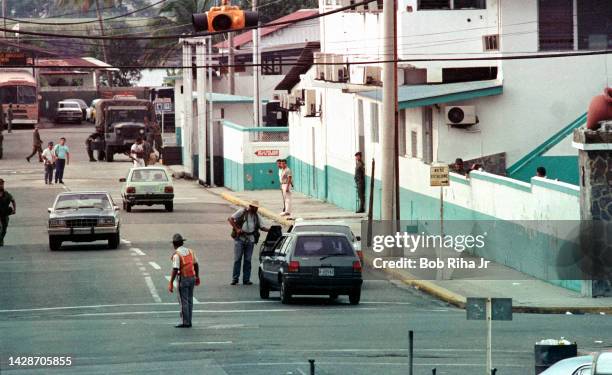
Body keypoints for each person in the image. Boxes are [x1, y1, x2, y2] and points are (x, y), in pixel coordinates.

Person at [228, 201, 269, 285]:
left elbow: (262, 227)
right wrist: (237, 229)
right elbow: (230, 219)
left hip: (251, 240)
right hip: (240, 239)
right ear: (251, 206)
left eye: (257, 208)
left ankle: (246, 279)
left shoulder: (256, 216)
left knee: (248, 260)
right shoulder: (242, 212)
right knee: (237, 259)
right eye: (255, 207)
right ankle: (235, 278)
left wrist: (270, 230)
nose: (256, 209)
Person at [167, 233, 200, 328]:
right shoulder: (190, 251)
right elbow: (196, 264)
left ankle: (186, 322)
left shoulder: (177, 255)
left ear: (174, 244)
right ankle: (189, 320)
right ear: (182, 243)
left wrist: (170, 282)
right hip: (192, 277)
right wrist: (197, 276)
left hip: (183, 279)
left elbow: (175, 269)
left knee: (183, 300)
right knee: (190, 300)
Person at [0, 179, 16, 247]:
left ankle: (1, 239)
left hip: (4, 213)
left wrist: (14, 210)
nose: (1, 185)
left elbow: (13, 201)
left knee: (4, 228)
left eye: (2, 184)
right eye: (0, 184)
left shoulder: (6, 194)